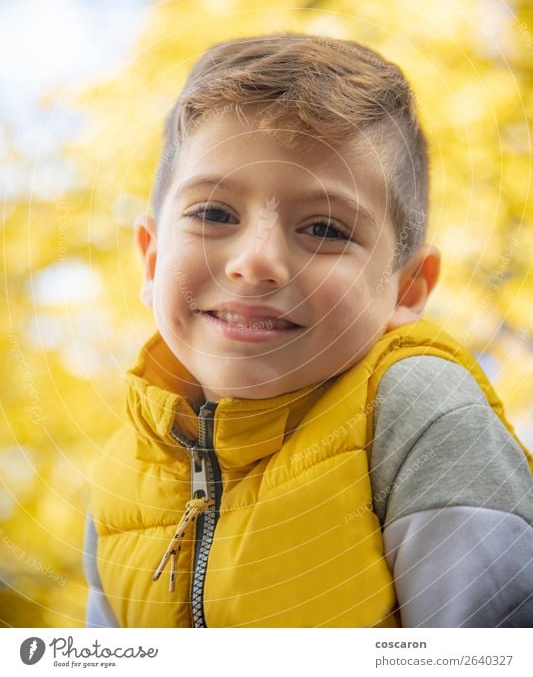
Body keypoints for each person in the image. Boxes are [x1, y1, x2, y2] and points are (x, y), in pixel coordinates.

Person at [83, 33, 533, 628]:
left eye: (324, 228)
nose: (257, 260)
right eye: (214, 213)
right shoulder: (128, 467)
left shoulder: (418, 412)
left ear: (406, 289)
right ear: (150, 259)